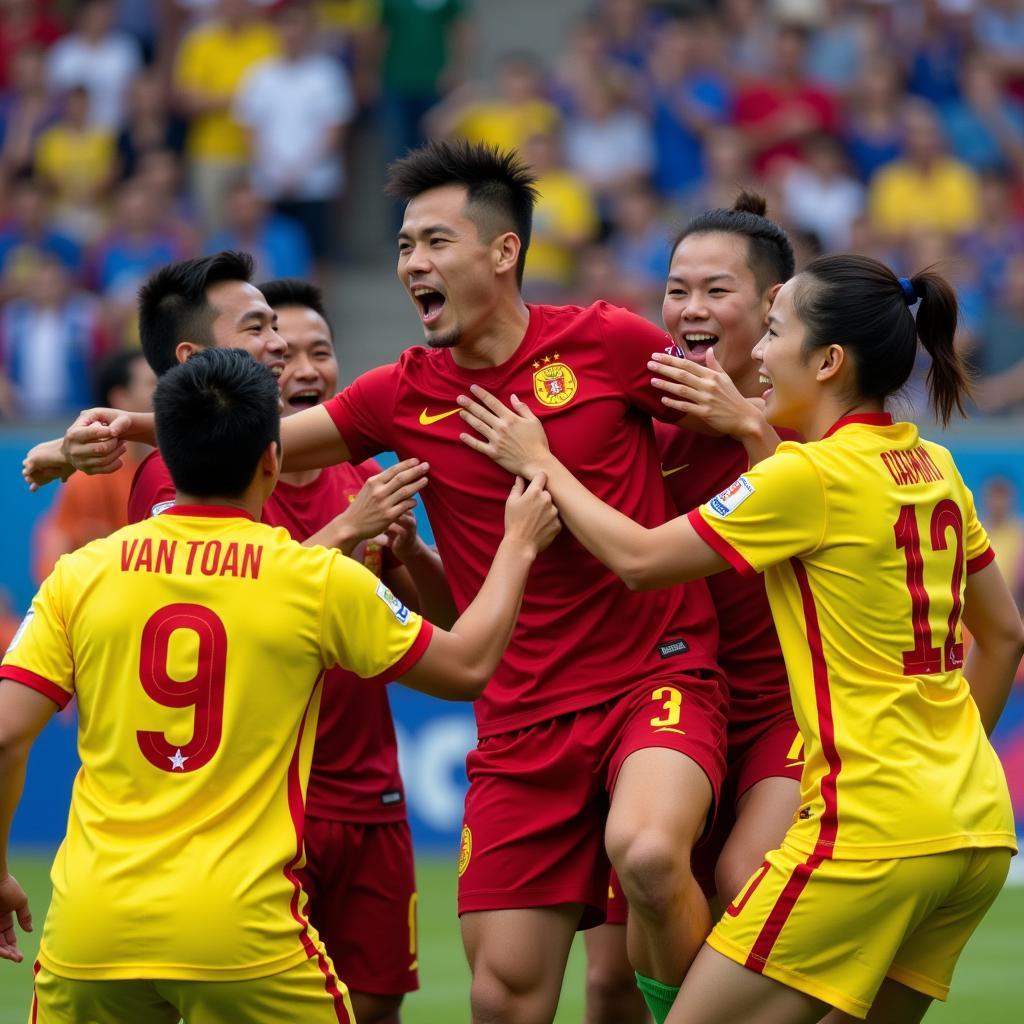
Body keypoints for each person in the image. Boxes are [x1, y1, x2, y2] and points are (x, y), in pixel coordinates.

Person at [44, 141, 728, 1024]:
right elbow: (267, 439)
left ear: (503, 252)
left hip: (656, 675)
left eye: (435, 242)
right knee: (503, 995)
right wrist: (122, 426)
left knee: (644, 855)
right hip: (520, 714)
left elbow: (723, 414)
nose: (412, 264)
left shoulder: (609, 342)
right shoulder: (403, 394)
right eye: (404, 246)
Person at [456, 253, 1022, 1024]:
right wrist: (956, 771)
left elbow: (639, 559)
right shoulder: (936, 464)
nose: (755, 351)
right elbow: (1006, 633)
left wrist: (543, 464)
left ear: (827, 361)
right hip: (976, 829)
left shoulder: (809, 477)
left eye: (775, 332)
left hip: (867, 829)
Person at [0, 345, 559, 1023]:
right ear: (273, 459)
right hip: (243, 936)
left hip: (90, 930)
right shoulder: (313, 577)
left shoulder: (80, 575)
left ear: (167, 462)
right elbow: (469, 665)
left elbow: (5, 737)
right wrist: (519, 545)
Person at [585, 193, 803, 1024]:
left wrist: (751, 429)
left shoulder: (814, 411)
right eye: (677, 290)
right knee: (607, 983)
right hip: (665, 705)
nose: (690, 310)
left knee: (747, 883)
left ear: (774, 306)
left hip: (786, 711)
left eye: (717, 290)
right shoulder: (643, 415)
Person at [32, 348, 155, 582]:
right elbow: (53, 566)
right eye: (152, 383)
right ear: (120, 399)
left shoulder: (176, 466)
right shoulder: (92, 476)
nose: (164, 391)